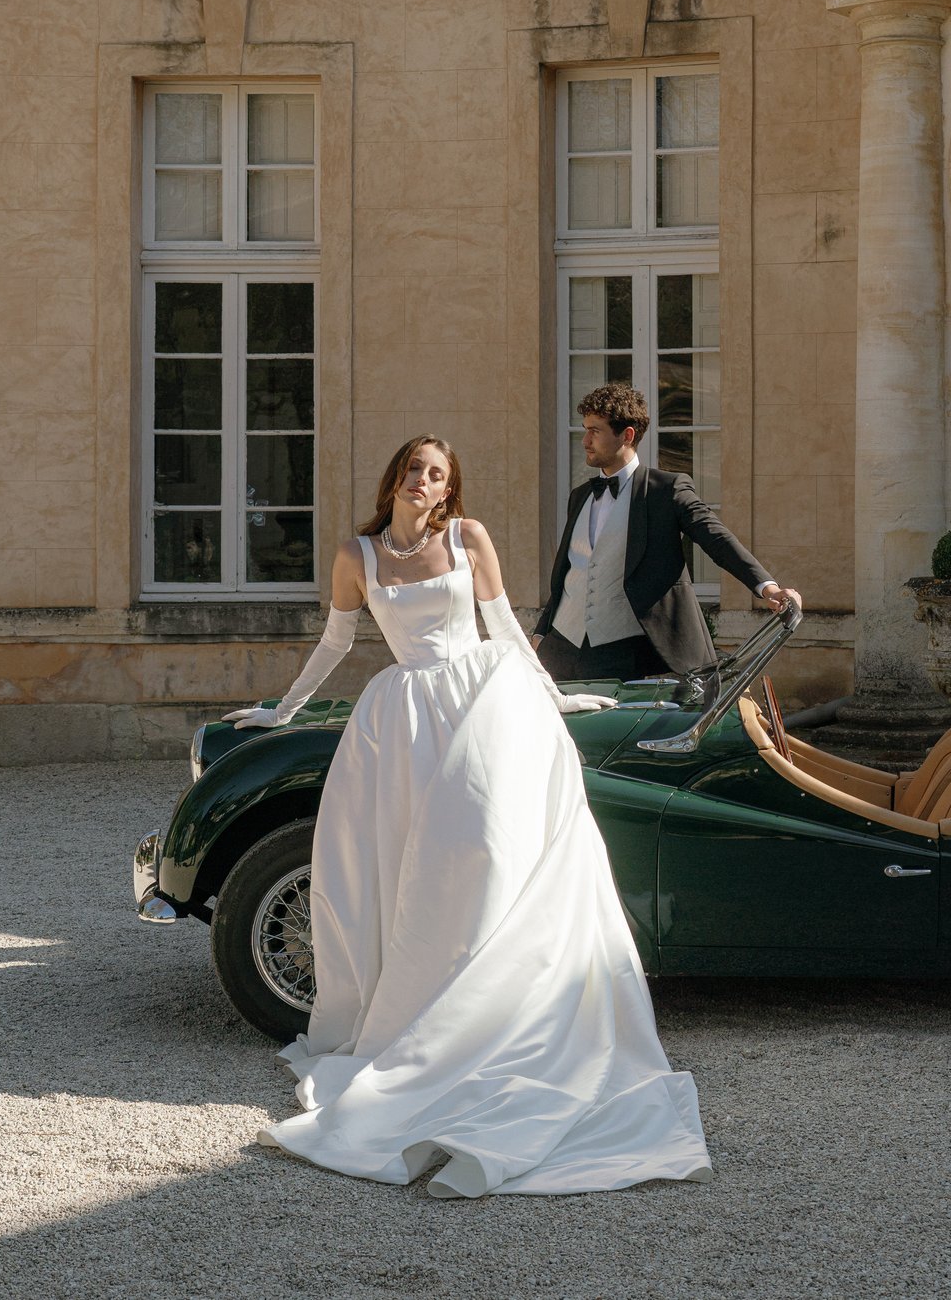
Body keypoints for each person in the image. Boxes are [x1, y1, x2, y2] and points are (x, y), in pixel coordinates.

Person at [221, 435, 712, 1197]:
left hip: (480, 700)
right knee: (405, 860)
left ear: (449, 488)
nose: (423, 480)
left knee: (480, 847)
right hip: (402, 718)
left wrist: (554, 696)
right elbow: (336, 641)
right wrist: (280, 711)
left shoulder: (467, 537)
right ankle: (415, 1006)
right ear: (396, 477)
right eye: (415, 468)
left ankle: (493, 1002)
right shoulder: (356, 555)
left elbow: (505, 627)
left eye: (437, 473)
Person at [536, 383, 802, 683]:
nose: (585, 440)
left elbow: (716, 537)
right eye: (585, 430)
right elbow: (569, 572)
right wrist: (541, 634)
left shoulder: (666, 490)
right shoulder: (580, 495)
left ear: (627, 435)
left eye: (595, 431)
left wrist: (768, 588)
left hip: (622, 652)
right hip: (560, 649)